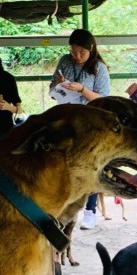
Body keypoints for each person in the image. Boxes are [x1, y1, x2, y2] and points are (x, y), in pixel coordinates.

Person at [50, 29, 111, 229]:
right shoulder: (65, 61)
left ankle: (90, 210)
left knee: (90, 164)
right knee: (66, 163)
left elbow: (103, 99)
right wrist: (60, 86)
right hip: (67, 118)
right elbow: (52, 88)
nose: (76, 57)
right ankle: (65, 205)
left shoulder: (99, 68)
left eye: (81, 53)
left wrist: (82, 89)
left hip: (89, 123)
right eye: (73, 52)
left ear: (91, 49)